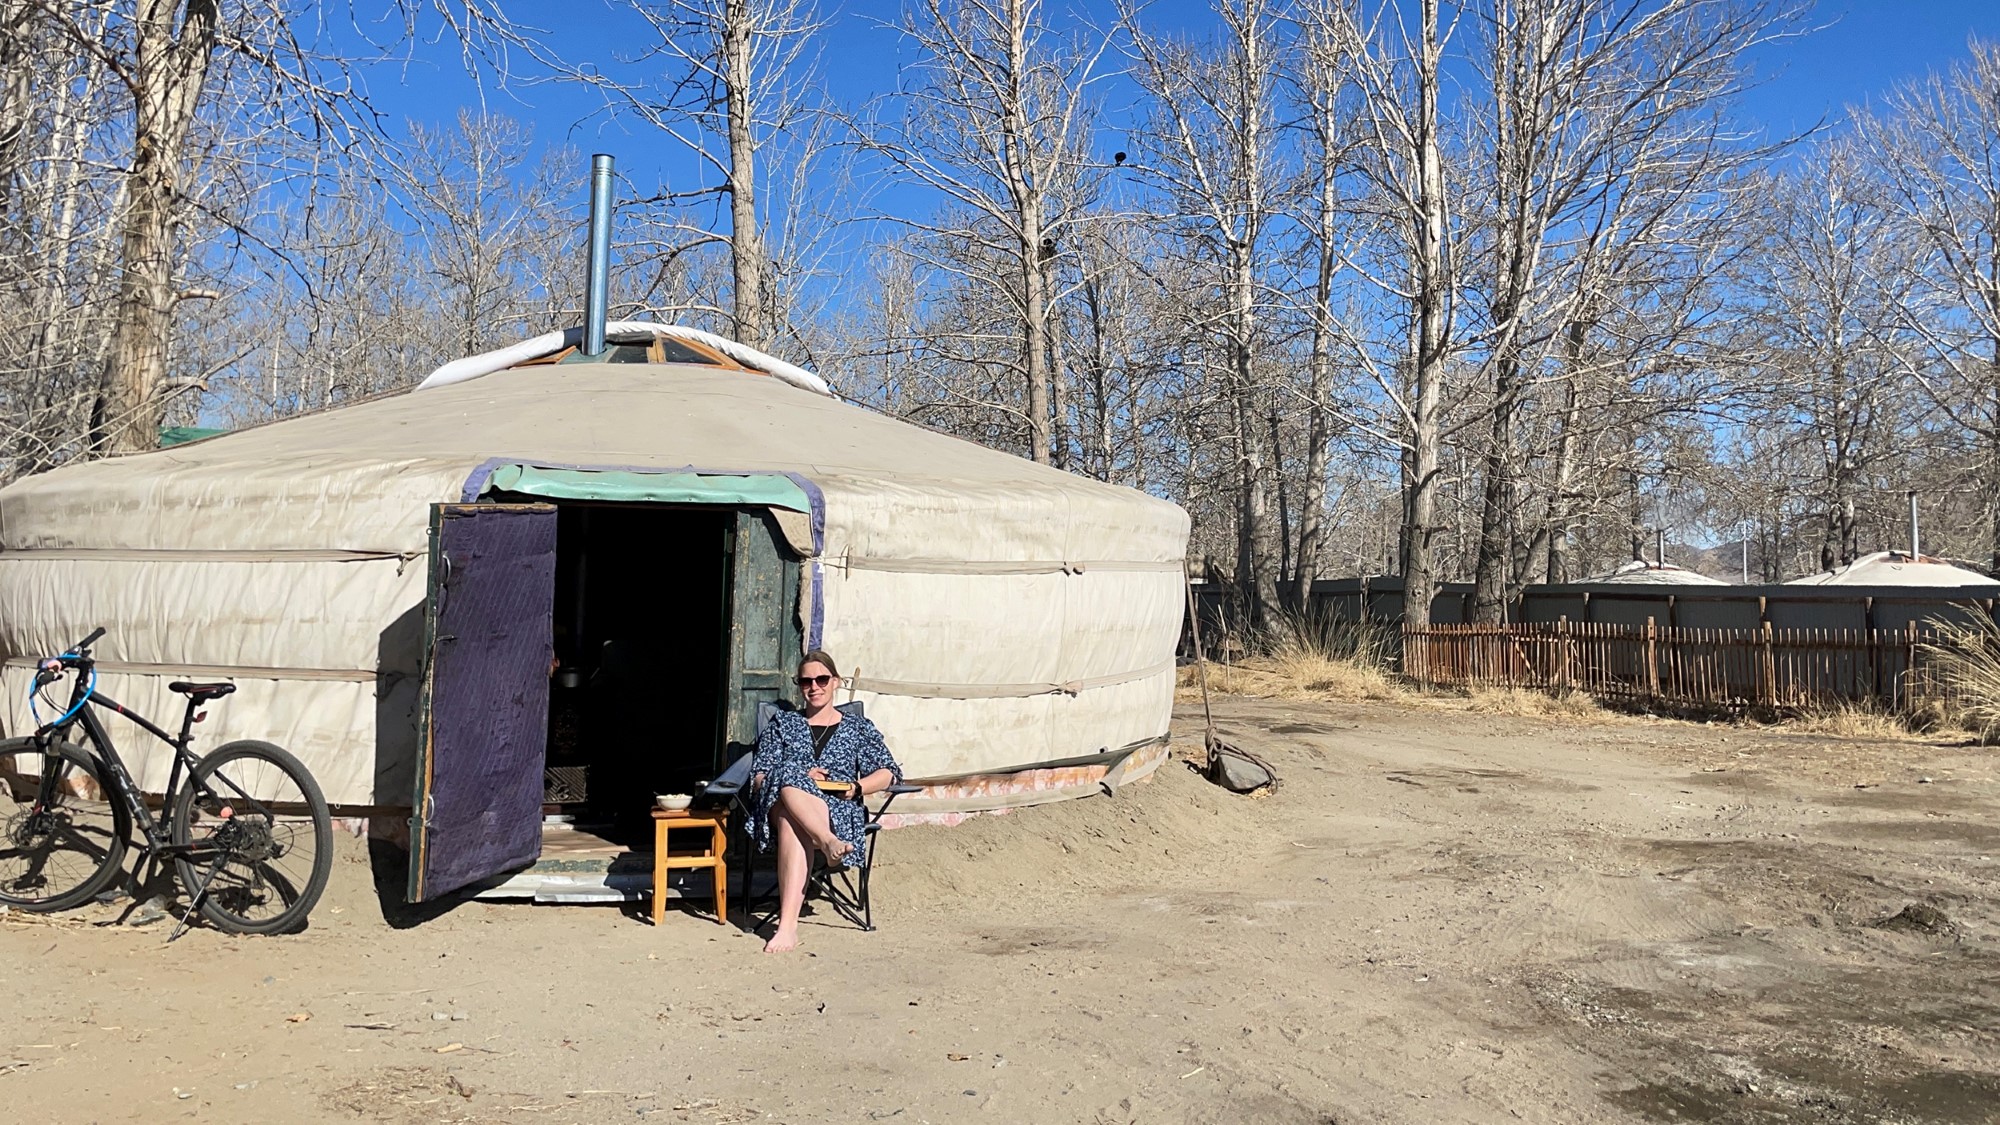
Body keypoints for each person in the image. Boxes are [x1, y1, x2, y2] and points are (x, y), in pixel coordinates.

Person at [749, 649, 901, 953]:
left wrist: (857, 787)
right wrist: (800, 776)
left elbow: (889, 773)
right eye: (806, 681)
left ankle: (787, 927)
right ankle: (829, 843)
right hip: (783, 804)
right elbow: (759, 776)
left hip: (837, 808)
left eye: (821, 678)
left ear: (836, 682)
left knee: (792, 821)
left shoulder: (858, 728)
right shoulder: (783, 724)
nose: (814, 687)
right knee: (788, 780)